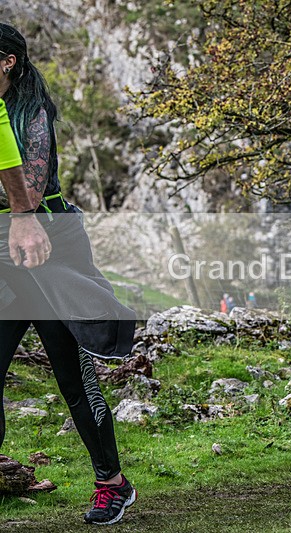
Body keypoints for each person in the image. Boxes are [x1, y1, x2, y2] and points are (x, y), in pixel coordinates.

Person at [0, 23, 137, 525]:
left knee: (72, 375)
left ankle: (112, 484)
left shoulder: (31, 114)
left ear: (7, 61)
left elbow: (29, 197)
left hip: (46, 250)